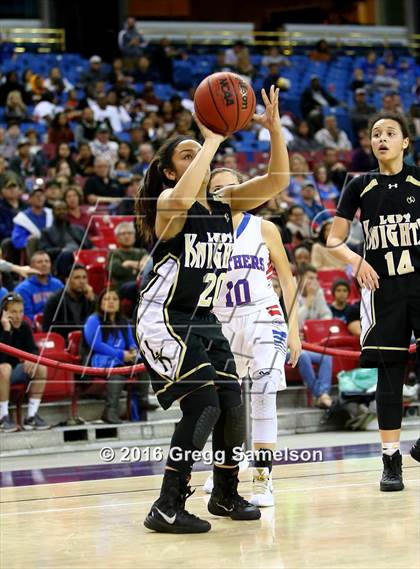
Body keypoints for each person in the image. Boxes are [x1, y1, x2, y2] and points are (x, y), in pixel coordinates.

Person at [136, 86, 289, 533]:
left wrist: (274, 131)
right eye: (186, 155)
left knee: (231, 404)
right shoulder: (169, 203)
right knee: (202, 405)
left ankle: (224, 494)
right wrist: (211, 139)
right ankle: (167, 505)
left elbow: (277, 181)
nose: (196, 157)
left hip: (204, 319)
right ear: (168, 171)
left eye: (196, 152)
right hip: (164, 317)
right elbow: (182, 200)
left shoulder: (225, 205)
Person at [327, 110, 420, 491]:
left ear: (405, 142)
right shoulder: (359, 186)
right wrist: (357, 260)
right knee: (390, 375)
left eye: (390, 132)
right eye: (375, 133)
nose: (381, 138)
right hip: (382, 291)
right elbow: (333, 241)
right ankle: (390, 460)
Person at [204, 167, 301, 507]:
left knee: (263, 395)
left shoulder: (264, 227)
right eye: (217, 190)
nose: (227, 194)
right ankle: (225, 467)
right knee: (219, 402)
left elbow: (288, 281)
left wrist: (294, 330)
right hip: (220, 321)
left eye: (234, 187)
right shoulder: (201, 232)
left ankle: (263, 478)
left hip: (263, 315)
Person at [82, 288, 138, 424]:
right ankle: (110, 411)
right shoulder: (93, 320)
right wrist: (120, 354)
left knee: (143, 363)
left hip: (121, 358)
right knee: (118, 368)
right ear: (100, 303)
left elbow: (131, 342)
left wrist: (134, 351)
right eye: (107, 299)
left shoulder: (124, 321)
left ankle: (142, 401)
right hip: (99, 358)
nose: (111, 302)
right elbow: (96, 344)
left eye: (114, 299)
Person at [0, 293, 49, 432]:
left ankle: (31, 417)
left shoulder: (25, 326)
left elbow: (33, 349)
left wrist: (31, 358)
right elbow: (1, 359)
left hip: (13, 372)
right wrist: (6, 330)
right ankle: (2, 417)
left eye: (21, 311)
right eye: (13, 312)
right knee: (4, 367)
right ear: (4, 312)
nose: (18, 316)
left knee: (41, 367)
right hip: (2, 371)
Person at [297, 265, 333, 408]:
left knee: (327, 355)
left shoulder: (318, 293)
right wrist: (308, 302)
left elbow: (327, 315)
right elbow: (295, 322)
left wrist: (313, 326)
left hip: (310, 342)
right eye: (310, 278)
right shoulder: (290, 290)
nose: (314, 282)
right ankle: (321, 394)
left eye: (316, 278)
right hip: (290, 346)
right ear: (300, 278)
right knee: (303, 356)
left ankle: (322, 393)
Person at [43, 264, 95, 338]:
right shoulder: (55, 300)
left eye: (84, 277)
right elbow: (48, 330)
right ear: (67, 280)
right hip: (64, 343)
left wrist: (93, 301)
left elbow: (99, 324)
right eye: (77, 278)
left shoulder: (90, 298)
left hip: (87, 342)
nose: (82, 281)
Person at [14, 251, 63, 321]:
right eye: (40, 262)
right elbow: (26, 316)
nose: (44, 264)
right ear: (32, 266)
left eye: (47, 261)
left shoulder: (58, 284)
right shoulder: (22, 289)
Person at [107, 221, 149, 304]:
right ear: (117, 237)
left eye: (130, 233)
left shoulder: (142, 251)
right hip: (121, 287)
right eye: (123, 233)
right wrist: (139, 266)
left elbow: (148, 267)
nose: (127, 236)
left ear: (134, 236)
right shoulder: (114, 253)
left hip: (140, 283)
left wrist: (129, 263)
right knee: (137, 286)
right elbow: (117, 270)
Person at [11, 184, 53, 252]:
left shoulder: (51, 214)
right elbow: (17, 241)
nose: (40, 198)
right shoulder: (22, 218)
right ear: (30, 199)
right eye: (37, 196)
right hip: (35, 253)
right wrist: (31, 241)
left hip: (52, 248)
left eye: (42, 195)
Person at [0, 177, 24, 242]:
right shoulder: (1, 208)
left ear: (19, 189)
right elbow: (2, 230)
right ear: (2, 191)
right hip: (7, 240)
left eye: (14, 187)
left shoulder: (26, 205)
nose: (12, 190)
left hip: (26, 237)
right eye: (8, 188)